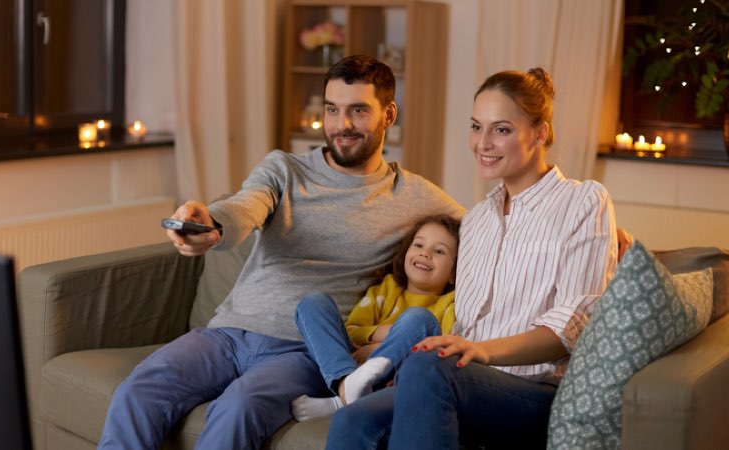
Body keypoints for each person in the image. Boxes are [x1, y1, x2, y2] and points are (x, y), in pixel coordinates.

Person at [96, 54, 465, 450]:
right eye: (332, 110)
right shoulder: (284, 169)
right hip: (226, 334)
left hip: (304, 351)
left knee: (239, 407)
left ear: (388, 114)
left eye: (358, 111)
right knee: (138, 390)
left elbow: (483, 232)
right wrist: (211, 224)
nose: (342, 125)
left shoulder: (412, 195)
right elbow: (244, 207)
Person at [325, 67, 619, 450]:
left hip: (538, 392)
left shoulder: (584, 202)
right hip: (461, 380)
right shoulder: (476, 219)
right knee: (353, 420)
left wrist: (481, 351)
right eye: (476, 127)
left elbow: (573, 326)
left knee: (430, 368)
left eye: (501, 129)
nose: (483, 143)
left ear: (540, 133)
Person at [291, 214, 461, 422]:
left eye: (439, 251)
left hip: (396, 375)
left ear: (453, 273)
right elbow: (352, 329)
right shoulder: (386, 289)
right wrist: (383, 333)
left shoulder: (448, 303)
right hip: (352, 364)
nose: (425, 254)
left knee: (420, 319)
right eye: (418, 245)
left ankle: (341, 401)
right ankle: (346, 386)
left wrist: (378, 348)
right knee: (313, 303)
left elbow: (443, 348)